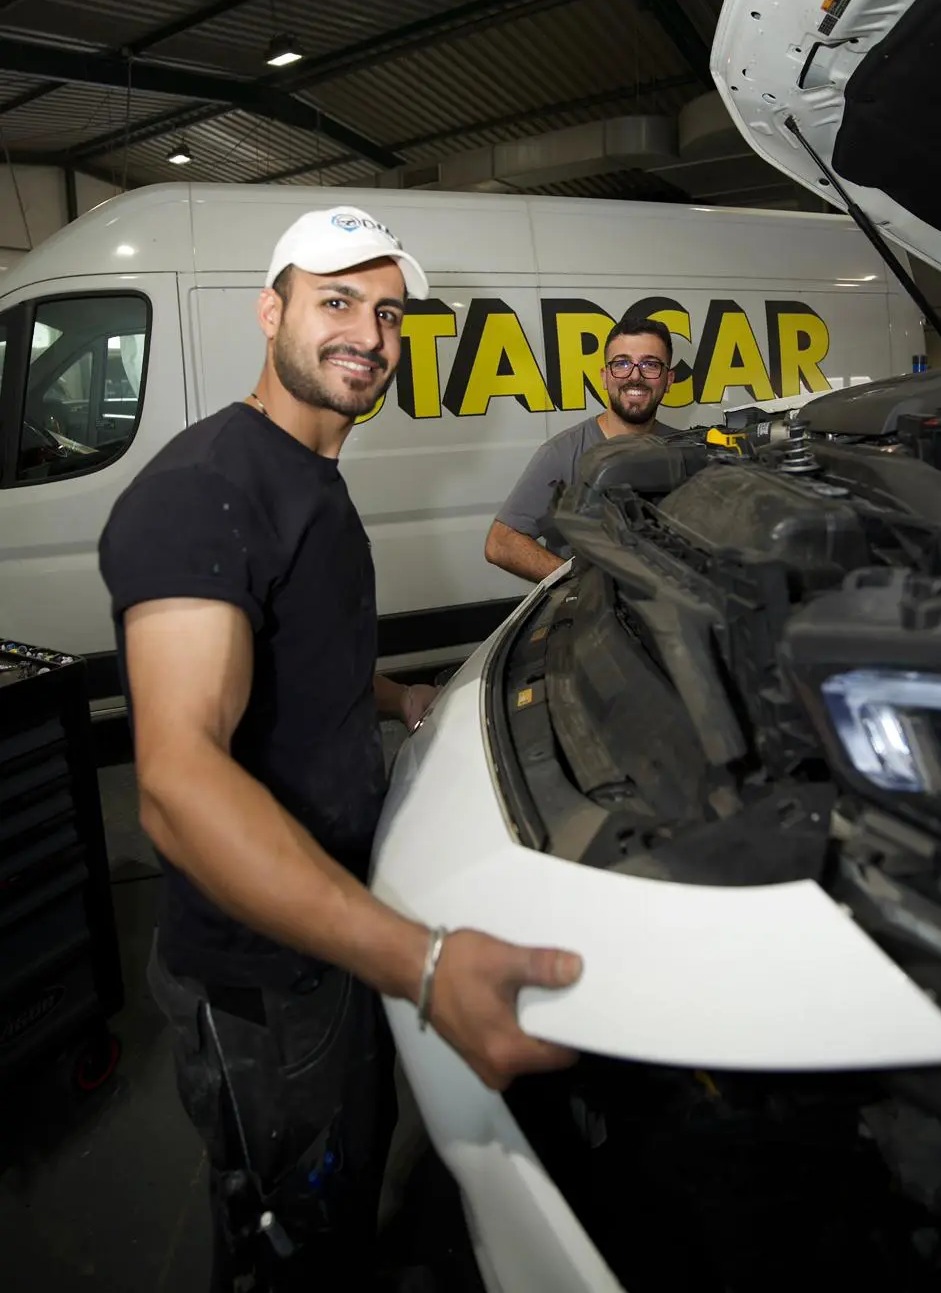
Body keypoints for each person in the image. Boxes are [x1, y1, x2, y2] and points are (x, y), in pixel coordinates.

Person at [97, 206, 582, 1291]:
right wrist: (420, 962)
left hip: (329, 930)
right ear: (269, 313)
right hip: (263, 980)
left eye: (388, 312)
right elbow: (175, 785)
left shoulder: (304, 475)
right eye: (335, 301)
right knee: (296, 1247)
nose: (368, 332)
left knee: (350, 1195)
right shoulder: (202, 491)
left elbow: (284, 650)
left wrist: (395, 693)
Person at [485, 314, 679, 584]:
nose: (635, 376)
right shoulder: (564, 453)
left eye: (650, 364)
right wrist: (583, 586)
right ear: (605, 376)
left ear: (668, 380)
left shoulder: (685, 450)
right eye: (621, 363)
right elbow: (501, 543)